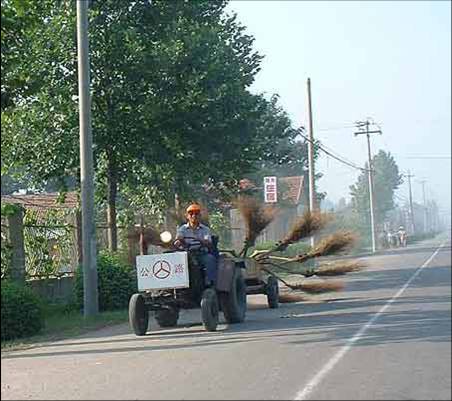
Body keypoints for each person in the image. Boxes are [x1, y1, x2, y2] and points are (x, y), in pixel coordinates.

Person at [175, 203, 218, 286]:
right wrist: (179, 241)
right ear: (187, 216)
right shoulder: (182, 229)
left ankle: (210, 282)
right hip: (187, 254)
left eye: (196, 213)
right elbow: (178, 239)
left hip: (201, 253)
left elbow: (208, 241)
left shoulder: (205, 229)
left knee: (210, 259)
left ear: (200, 216)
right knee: (176, 261)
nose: (194, 216)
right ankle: (177, 284)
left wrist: (201, 240)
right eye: (191, 214)